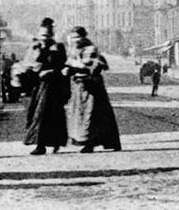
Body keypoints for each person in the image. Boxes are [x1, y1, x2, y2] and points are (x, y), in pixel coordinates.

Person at [64, 26, 122, 153]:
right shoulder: (74, 49)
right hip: (79, 86)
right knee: (82, 114)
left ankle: (90, 143)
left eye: (77, 37)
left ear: (84, 37)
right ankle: (87, 141)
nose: (75, 40)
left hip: (92, 86)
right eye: (72, 37)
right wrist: (69, 69)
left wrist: (80, 66)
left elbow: (97, 65)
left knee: (92, 114)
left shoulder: (91, 48)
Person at [22, 18, 69, 155]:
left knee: (51, 115)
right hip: (38, 86)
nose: (44, 39)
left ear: (51, 36)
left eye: (47, 36)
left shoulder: (58, 47)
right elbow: (28, 64)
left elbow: (63, 67)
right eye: (42, 36)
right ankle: (40, 143)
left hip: (53, 87)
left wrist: (52, 71)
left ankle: (52, 143)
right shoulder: (34, 47)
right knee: (37, 114)